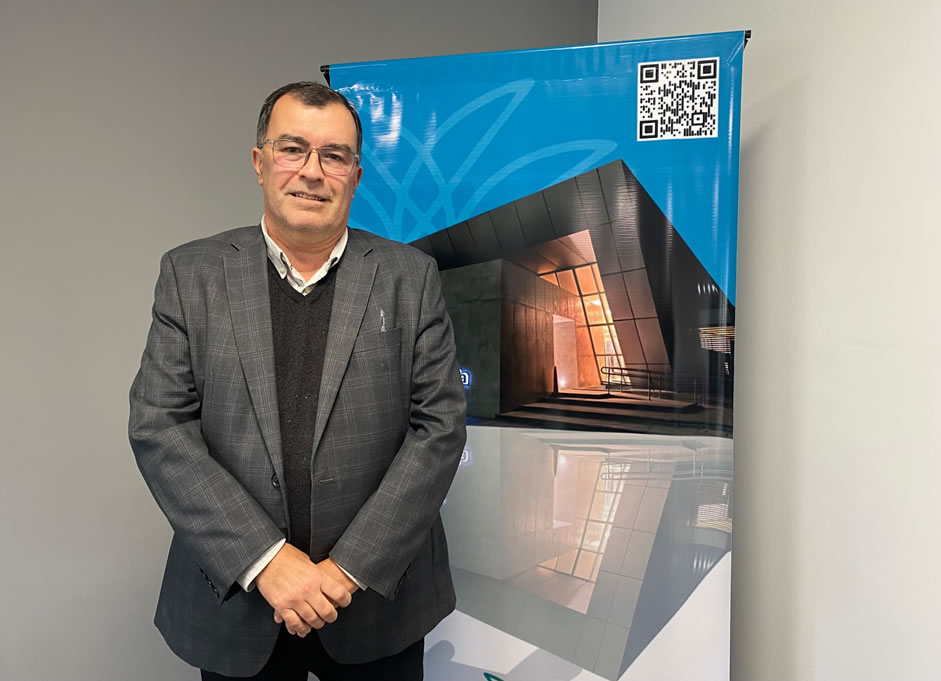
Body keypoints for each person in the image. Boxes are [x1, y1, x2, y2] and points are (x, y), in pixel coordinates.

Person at [128, 81, 466, 680]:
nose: (312, 171)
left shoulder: (410, 277)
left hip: (374, 602)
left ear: (355, 176)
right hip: (238, 598)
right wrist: (264, 560)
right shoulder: (190, 273)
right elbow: (160, 426)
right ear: (259, 161)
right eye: (292, 149)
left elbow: (438, 428)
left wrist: (348, 568)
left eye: (334, 156)